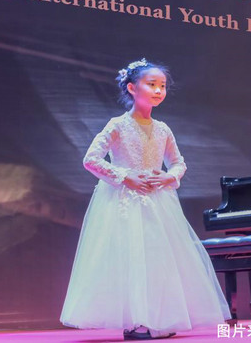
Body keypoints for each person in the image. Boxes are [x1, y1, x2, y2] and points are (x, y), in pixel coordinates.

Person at [60, 58, 230, 340]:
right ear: (131, 88)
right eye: (151, 84)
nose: (158, 90)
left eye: (162, 85)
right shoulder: (118, 125)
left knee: (159, 259)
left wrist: (168, 177)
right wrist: (124, 177)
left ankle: (160, 319)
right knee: (132, 259)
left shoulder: (163, 129)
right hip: (125, 202)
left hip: (158, 201)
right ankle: (136, 321)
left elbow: (178, 162)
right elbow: (91, 159)